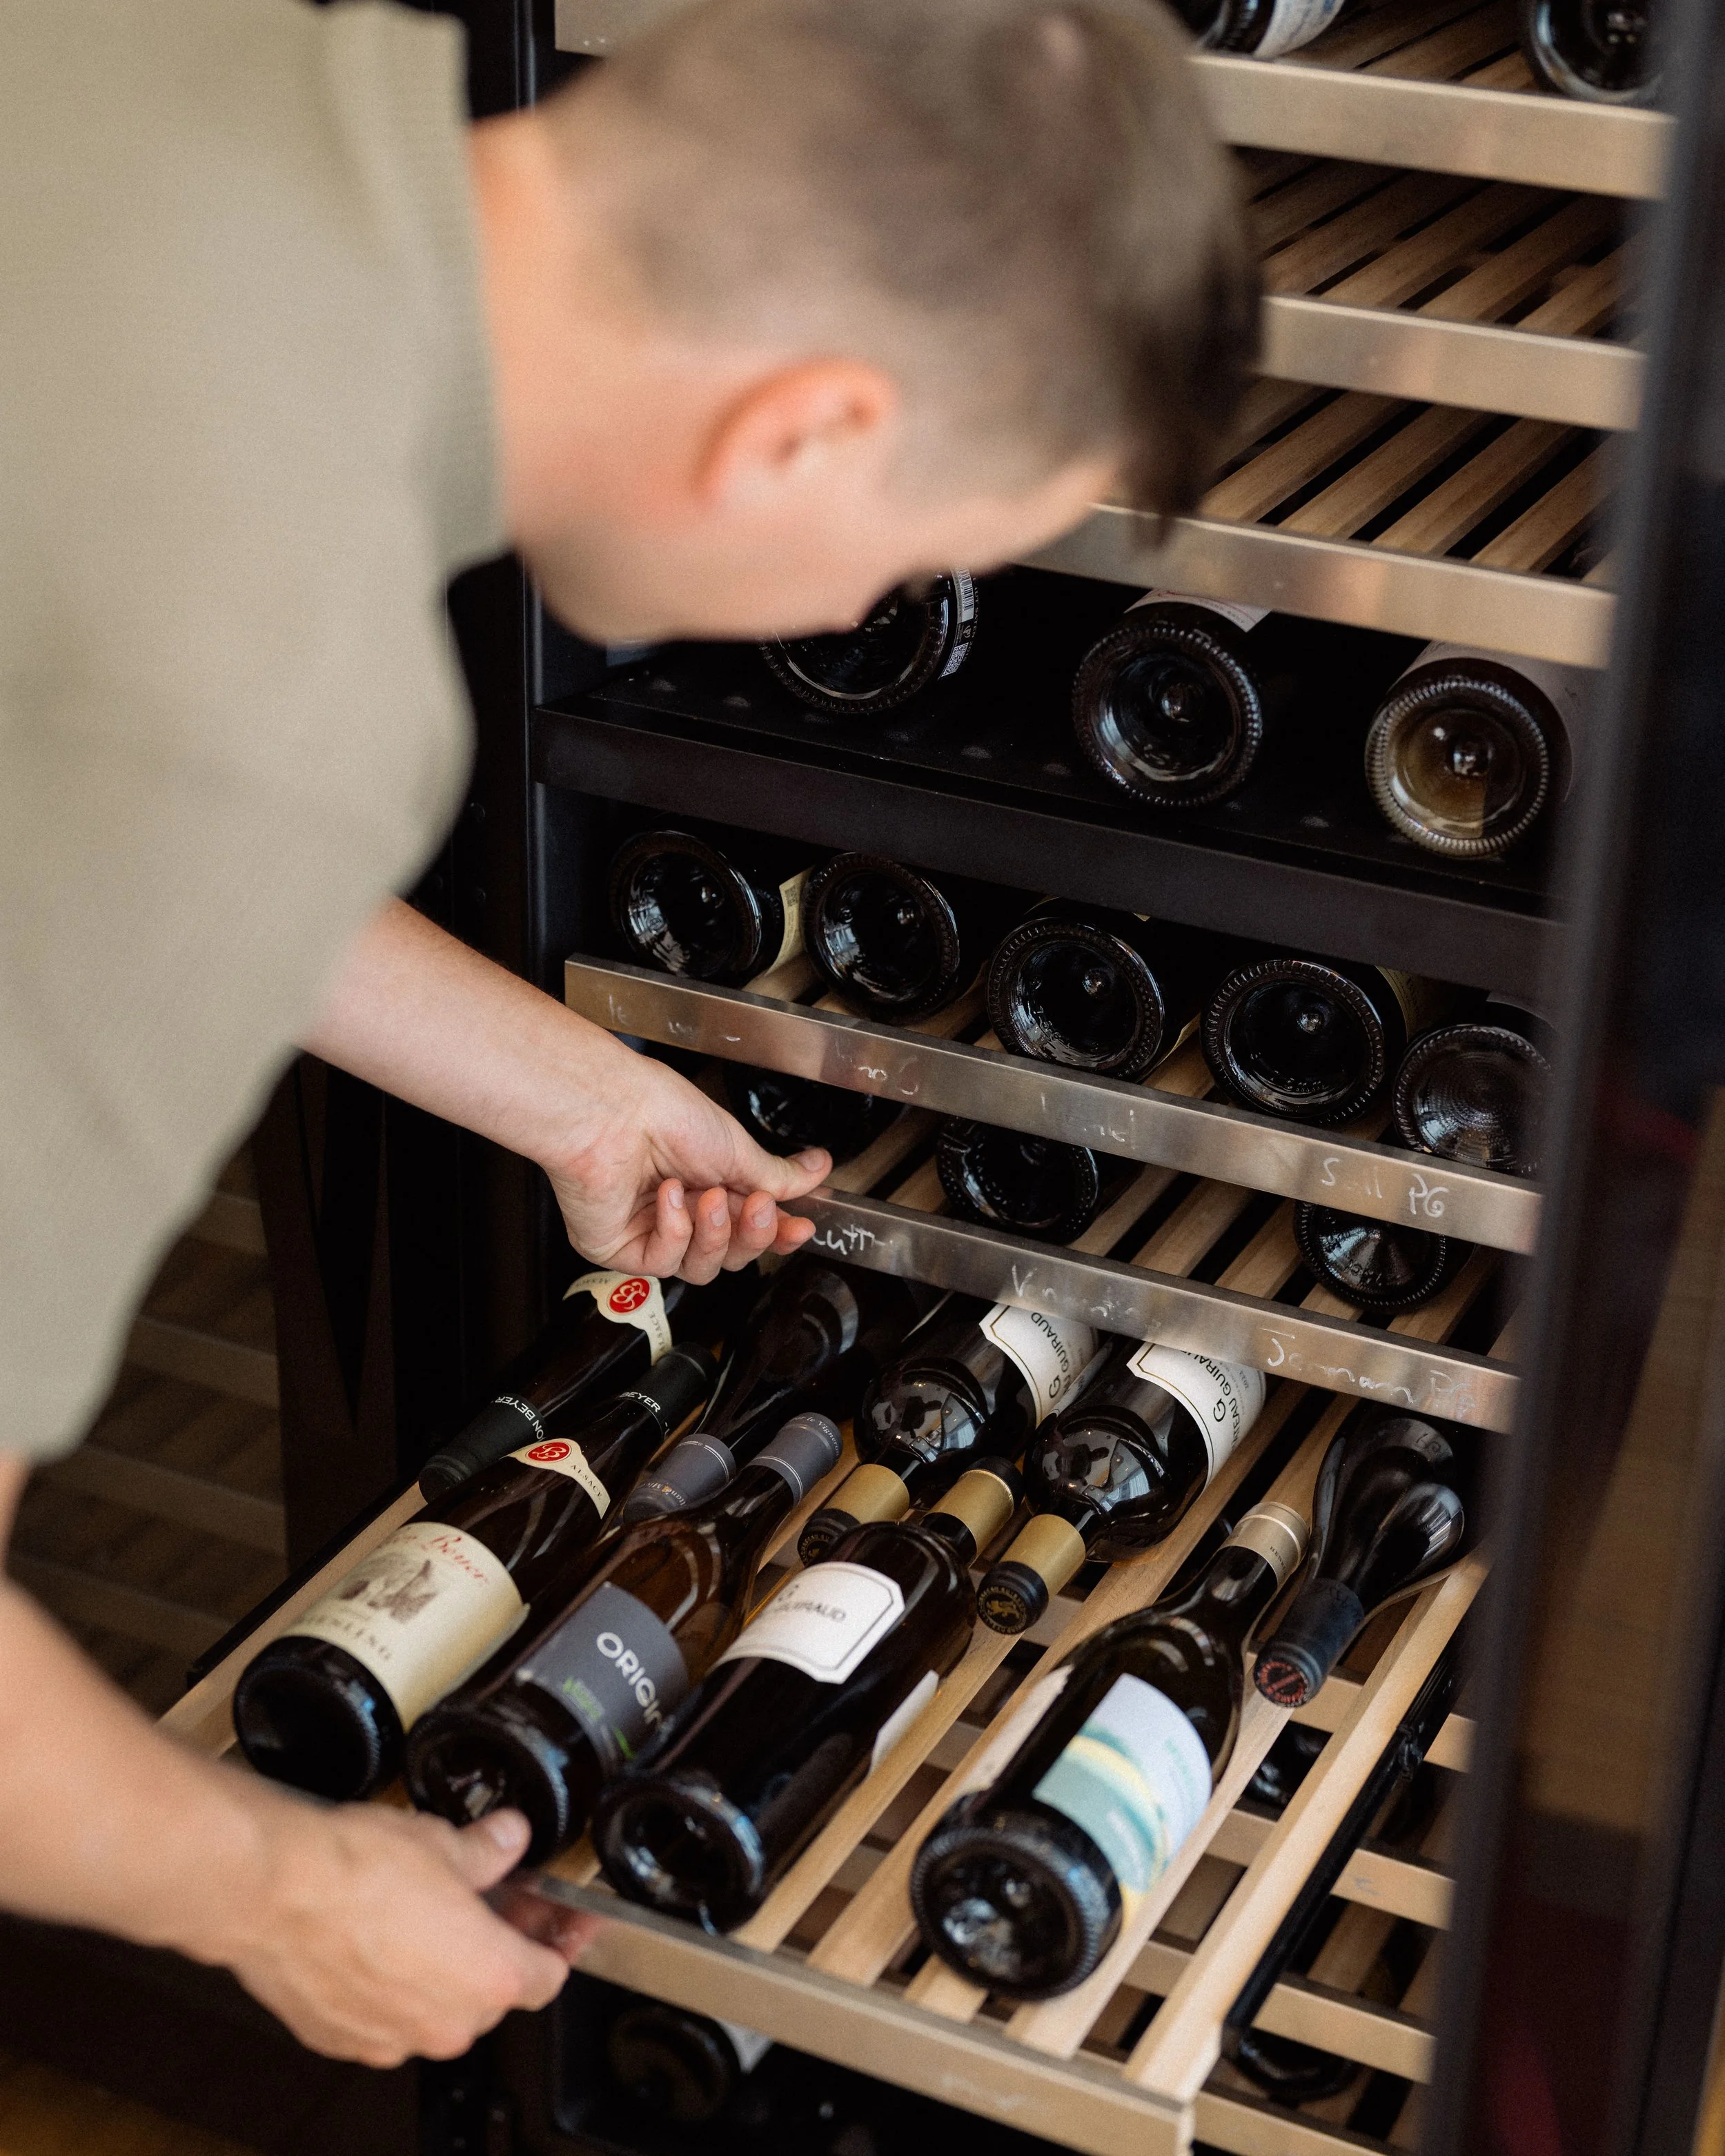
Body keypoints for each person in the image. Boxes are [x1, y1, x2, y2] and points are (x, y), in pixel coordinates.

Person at [0, 0, 1254, 2075]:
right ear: (802, 431)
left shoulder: (198, 57)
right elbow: (175, 737)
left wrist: (563, 1084)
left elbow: (66, 748)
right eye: (917, 552)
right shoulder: (265, 690)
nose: (858, 599)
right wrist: (278, 1889)